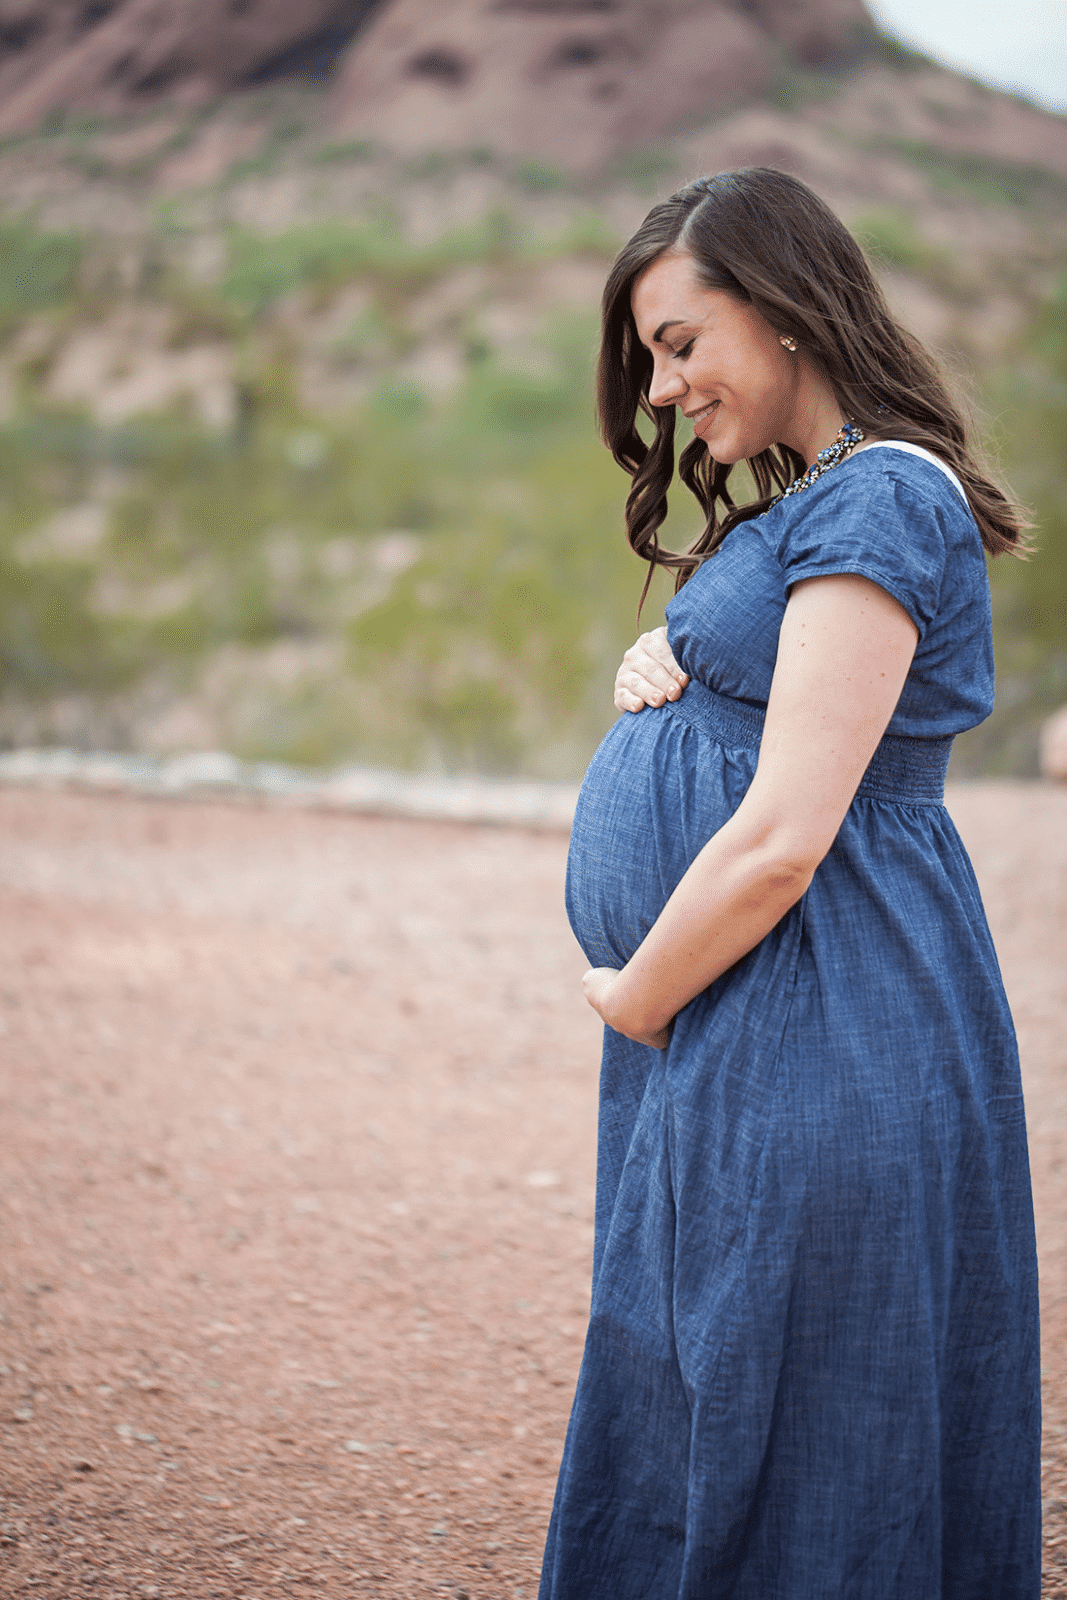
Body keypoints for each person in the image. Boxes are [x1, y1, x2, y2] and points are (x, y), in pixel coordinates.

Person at [540, 168, 1040, 1600]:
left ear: (786, 310)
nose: (659, 388)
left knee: (810, 1416)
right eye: (648, 356)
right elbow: (792, 709)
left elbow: (781, 838)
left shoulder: (882, 500)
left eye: (680, 342)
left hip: (818, 1009)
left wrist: (636, 998)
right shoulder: (826, 500)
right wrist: (678, 665)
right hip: (754, 1010)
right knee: (712, 1388)